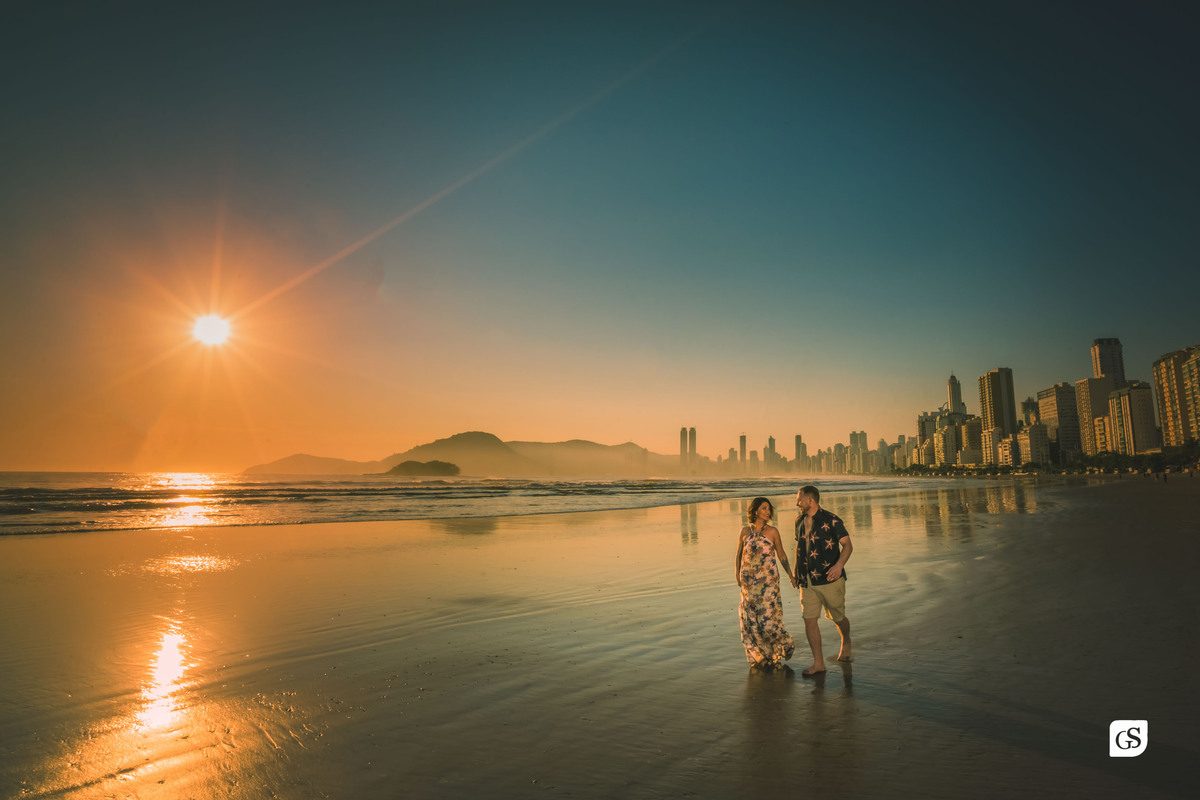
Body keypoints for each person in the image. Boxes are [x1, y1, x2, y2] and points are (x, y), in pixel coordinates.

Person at [790, 485, 852, 676]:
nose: (797, 502)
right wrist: (795, 571)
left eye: (799, 499)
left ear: (810, 500)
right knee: (809, 620)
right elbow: (799, 547)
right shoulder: (799, 520)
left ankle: (846, 641)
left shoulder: (831, 520)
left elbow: (848, 545)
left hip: (829, 579)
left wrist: (839, 565)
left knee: (838, 617)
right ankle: (818, 663)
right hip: (807, 581)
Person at [735, 496, 796, 668]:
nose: (767, 512)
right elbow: (738, 555)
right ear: (755, 511)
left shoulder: (773, 532)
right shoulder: (744, 532)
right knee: (751, 620)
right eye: (764, 508)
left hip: (768, 584)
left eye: (769, 509)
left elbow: (782, 556)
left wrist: (791, 575)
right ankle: (761, 656)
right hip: (748, 584)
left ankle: (785, 645)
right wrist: (737, 575)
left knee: (768, 619)